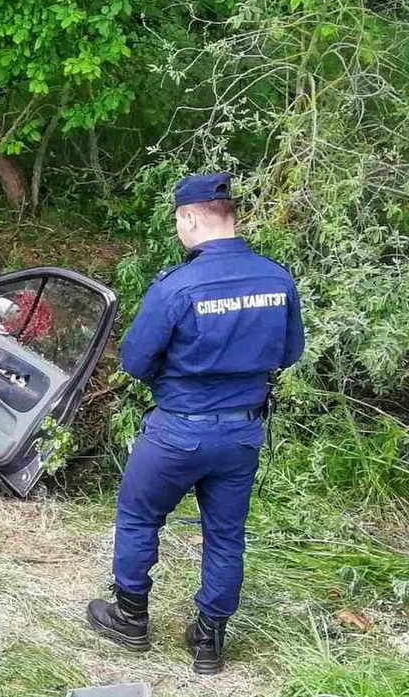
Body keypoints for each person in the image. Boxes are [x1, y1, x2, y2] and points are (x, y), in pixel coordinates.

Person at [86, 173, 304, 675]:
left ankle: (130, 617)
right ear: (231, 216)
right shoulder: (276, 278)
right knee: (226, 534)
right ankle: (209, 641)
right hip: (243, 431)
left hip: (179, 430)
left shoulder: (177, 286)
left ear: (189, 217)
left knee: (139, 516)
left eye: (178, 222)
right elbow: (290, 352)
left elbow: (136, 361)